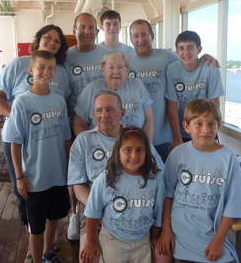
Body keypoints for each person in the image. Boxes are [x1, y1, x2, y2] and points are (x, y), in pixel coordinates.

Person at [0, 24, 70, 262]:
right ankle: (33, 254)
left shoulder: (58, 100)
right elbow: (14, 140)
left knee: (54, 214)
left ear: (55, 71)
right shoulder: (22, 100)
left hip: (57, 172)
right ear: (31, 70)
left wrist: (70, 169)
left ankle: (48, 251)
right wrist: (19, 175)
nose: (46, 72)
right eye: (48, 37)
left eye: (50, 68)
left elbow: (66, 137)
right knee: (33, 217)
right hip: (32, 172)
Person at [68, 90, 169, 263]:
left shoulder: (137, 141)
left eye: (110, 109)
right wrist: (98, 210)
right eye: (99, 110)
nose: (104, 115)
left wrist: (161, 228)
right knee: (88, 256)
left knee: (163, 255)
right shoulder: (83, 141)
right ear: (93, 114)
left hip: (139, 209)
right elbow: (77, 185)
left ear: (122, 113)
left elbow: (161, 178)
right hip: (95, 208)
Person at [158, 98, 241, 263]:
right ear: (186, 127)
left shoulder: (229, 158)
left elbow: (233, 204)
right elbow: (167, 194)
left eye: (211, 124)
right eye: (199, 123)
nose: (205, 129)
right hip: (182, 239)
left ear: (218, 127)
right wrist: (165, 230)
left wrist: (219, 241)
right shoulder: (177, 154)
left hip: (214, 237)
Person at [128, 19, 219, 162]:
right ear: (131, 40)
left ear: (152, 36)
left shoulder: (167, 57)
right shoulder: (125, 62)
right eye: (136, 36)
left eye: (144, 34)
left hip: (163, 136)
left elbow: (188, 59)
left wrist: (204, 58)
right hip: (133, 135)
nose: (140, 39)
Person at [80, 126, 165, 263]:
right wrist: (91, 241)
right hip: (113, 241)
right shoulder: (105, 178)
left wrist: (155, 236)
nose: (134, 156)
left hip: (143, 240)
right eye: (128, 150)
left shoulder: (155, 178)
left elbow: (158, 210)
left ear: (147, 152)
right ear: (118, 152)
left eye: (140, 150)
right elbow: (92, 212)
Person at [73, 51, 154, 142]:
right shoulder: (91, 89)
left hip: (134, 147)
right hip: (100, 149)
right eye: (111, 67)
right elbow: (79, 123)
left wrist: (147, 147)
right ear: (103, 70)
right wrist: (88, 146)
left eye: (120, 67)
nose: (116, 72)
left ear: (127, 70)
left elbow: (149, 119)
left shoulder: (137, 85)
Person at [166, 30, 225, 147]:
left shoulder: (210, 67)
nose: (186, 52)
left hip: (206, 129)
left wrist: (211, 131)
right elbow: (172, 106)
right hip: (183, 130)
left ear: (199, 50)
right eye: (181, 48)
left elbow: (215, 103)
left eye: (190, 47)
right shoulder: (172, 69)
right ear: (177, 51)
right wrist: (177, 138)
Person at [65, 13, 111, 113]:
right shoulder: (65, 57)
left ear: (97, 32)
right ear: (74, 31)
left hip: (106, 118)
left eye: (91, 28)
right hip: (77, 120)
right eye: (82, 27)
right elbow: (63, 94)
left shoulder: (108, 56)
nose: (87, 32)